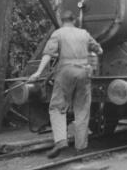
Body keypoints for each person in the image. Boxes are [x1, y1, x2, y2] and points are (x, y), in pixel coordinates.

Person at [28, 10, 103, 158]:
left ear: (62, 21)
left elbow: (48, 54)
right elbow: (99, 50)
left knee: (57, 107)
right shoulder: (84, 34)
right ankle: (81, 148)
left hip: (65, 72)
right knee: (82, 109)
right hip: (83, 72)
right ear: (74, 20)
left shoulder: (58, 33)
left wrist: (37, 72)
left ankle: (61, 140)